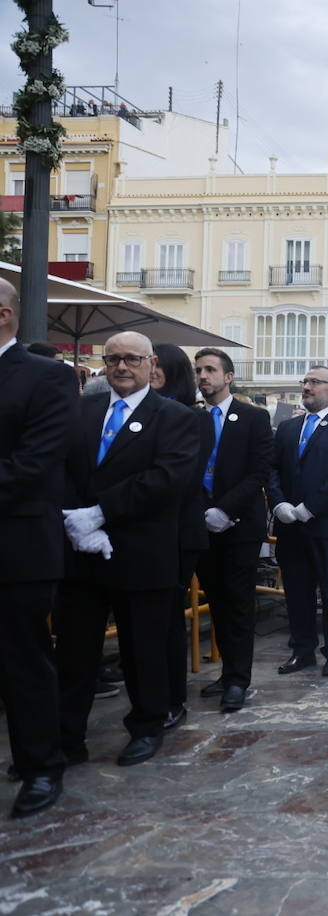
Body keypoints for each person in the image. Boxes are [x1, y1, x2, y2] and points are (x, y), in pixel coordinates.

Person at [56, 331, 199, 767]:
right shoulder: (84, 408)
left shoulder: (175, 417)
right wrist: (75, 519)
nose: (121, 367)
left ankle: (146, 726)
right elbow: (61, 465)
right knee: (75, 653)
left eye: (132, 359)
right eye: (113, 358)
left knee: (143, 652)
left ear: (151, 364)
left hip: (141, 552)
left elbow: (166, 479)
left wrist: (101, 513)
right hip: (80, 551)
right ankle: (66, 740)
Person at [0, 278, 77, 816]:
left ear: (4, 314)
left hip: (17, 542)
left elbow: (37, 462)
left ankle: (42, 765)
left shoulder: (47, 376)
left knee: (21, 661)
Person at [268, 365, 328, 678]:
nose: (307, 386)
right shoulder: (287, 428)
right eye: (305, 381)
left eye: (315, 382)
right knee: (297, 591)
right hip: (291, 526)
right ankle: (303, 650)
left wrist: (310, 507)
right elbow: (271, 470)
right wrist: (279, 503)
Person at [192, 348, 272, 712]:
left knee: (238, 603)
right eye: (199, 370)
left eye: (210, 369)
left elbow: (258, 471)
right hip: (201, 525)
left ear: (228, 376)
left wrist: (225, 509)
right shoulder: (191, 419)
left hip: (238, 524)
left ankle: (239, 679)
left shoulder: (253, 418)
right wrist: (203, 510)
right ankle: (225, 672)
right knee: (218, 602)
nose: (203, 376)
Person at [149, 343, 208, 732]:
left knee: (168, 617)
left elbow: (183, 477)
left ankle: (172, 698)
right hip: (143, 531)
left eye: (154, 364)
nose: (147, 369)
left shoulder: (192, 417)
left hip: (177, 531)